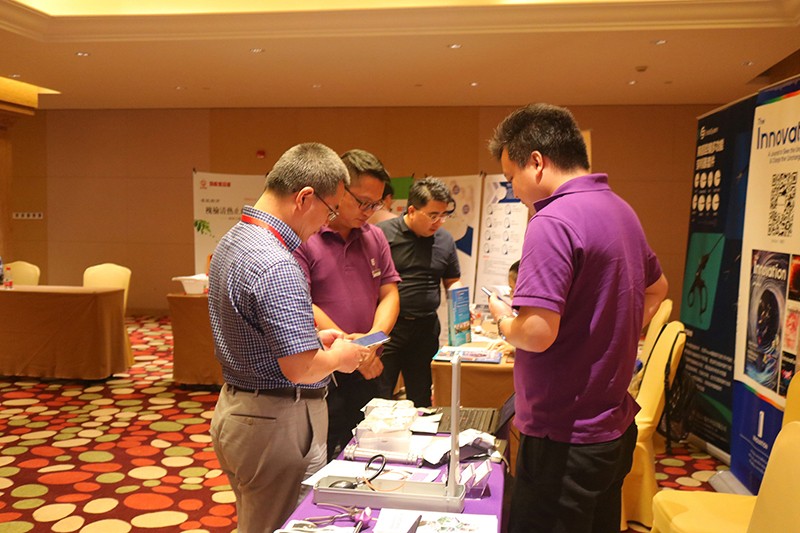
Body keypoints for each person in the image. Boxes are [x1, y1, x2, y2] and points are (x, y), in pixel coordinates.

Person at [485, 103, 668, 533]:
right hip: (610, 428)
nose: (514, 189)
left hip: (563, 437)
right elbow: (657, 289)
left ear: (536, 162)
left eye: (511, 177)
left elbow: (536, 332)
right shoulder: (621, 209)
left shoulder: (552, 220)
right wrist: (612, 332)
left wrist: (503, 320)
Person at [207, 142, 370, 533]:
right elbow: (300, 367)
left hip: (244, 409)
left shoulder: (235, 239)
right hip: (274, 420)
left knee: (259, 520)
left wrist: (311, 336)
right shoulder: (277, 261)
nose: (328, 222)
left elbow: (254, 328)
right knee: (275, 526)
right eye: (330, 209)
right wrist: (342, 357)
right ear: (304, 198)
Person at [294, 148, 401, 461]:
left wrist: (370, 343)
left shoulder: (375, 237)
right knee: (323, 457)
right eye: (362, 201)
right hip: (325, 370)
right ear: (339, 190)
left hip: (369, 365)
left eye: (376, 204)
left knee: (373, 453)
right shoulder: (306, 237)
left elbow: (390, 294)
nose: (369, 211)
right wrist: (350, 347)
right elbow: (303, 302)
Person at [377, 177, 462, 407]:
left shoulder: (445, 239)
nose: (439, 222)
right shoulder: (382, 235)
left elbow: (452, 281)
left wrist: (462, 308)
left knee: (421, 396)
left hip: (426, 328)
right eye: (433, 215)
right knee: (380, 395)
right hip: (389, 327)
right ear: (412, 210)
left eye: (444, 215)